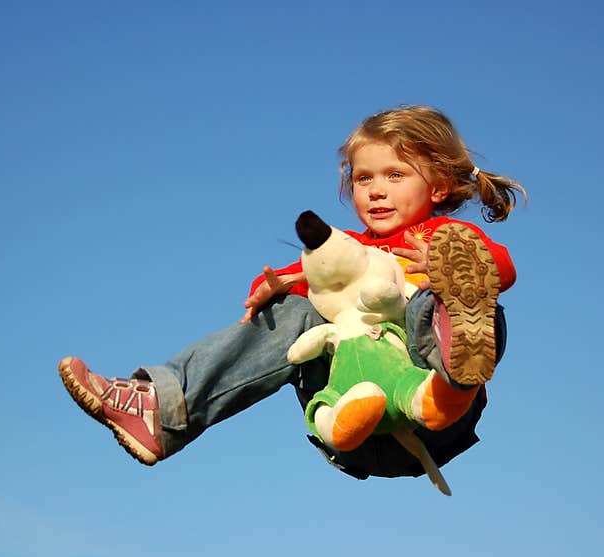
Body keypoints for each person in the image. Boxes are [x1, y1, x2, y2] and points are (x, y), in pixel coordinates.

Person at [58, 105, 526, 480]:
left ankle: (457, 363)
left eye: (395, 176)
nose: (377, 191)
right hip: (350, 417)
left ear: (440, 185)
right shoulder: (343, 251)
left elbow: (503, 268)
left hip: (434, 412)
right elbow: (274, 281)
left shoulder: (446, 236)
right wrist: (273, 286)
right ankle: (162, 407)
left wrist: (448, 270)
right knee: (297, 309)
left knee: (457, 293)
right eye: (365, 179)